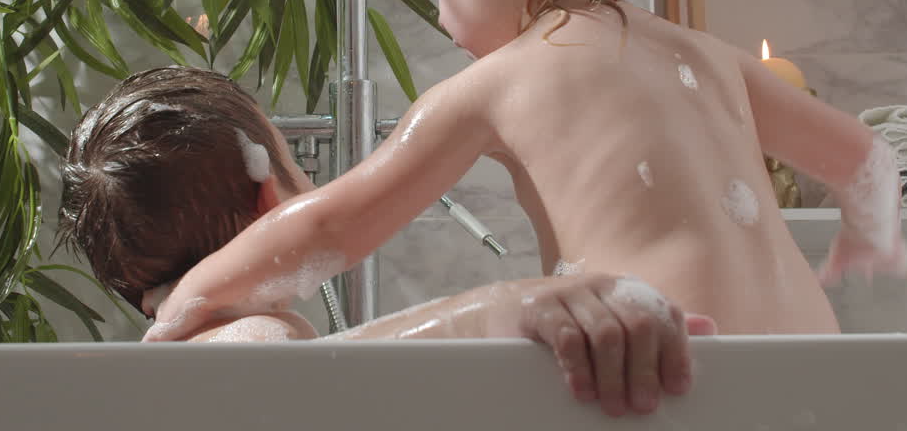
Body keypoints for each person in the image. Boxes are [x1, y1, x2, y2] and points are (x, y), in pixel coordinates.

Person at [145, 0, 907, 346]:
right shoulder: (707, 56)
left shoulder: (499, 83)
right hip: (814, 368)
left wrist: (191, 297)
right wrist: (869, 233)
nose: (442, 13)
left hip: (674, 364)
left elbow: (334, 226)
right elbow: (863, 155)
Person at [58, 66, 716, 417]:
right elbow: (303, 389)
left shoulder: (184, 347)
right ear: (272, 196)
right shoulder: (248, 336)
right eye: (297, 165)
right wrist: (502, 310)